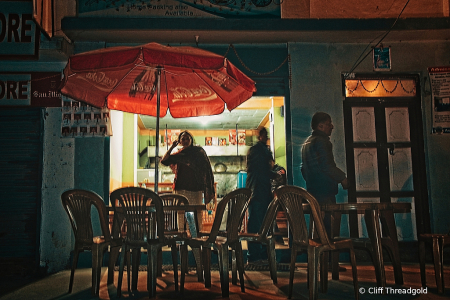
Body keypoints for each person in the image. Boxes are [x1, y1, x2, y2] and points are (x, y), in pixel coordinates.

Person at [301, 112, 349, 237]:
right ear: (320, 126)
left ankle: (318, 254)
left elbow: (303, 169)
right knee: (329, 230)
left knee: (318, 228)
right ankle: (329, 254)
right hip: (326, 191)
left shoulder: (306, 143)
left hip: (313, 191)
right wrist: (343, 178)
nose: (332, 126)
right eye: (328, 124)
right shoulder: (322, 142)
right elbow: (327, 165)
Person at [161, 130, 215, 231]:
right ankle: (182, 235)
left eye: (187, 138)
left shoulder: (199, 152)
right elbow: (164, 160)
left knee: (197, 212)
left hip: (196, 188)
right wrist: (172, 147)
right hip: (181, 188)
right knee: (180, 212)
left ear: (191, 140)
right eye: (183, 139)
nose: (185, 140)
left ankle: (196, 236)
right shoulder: (179, 154)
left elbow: (205, 168)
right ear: (180, 141)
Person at [246, 127, 279, 265]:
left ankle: (259, 255)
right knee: (259, 223)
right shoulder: (259, 150)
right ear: (260, 136)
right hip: (259, 190)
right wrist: (274, 173)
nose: (265, 137)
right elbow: (262, 169)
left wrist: (274, 171)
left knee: (260, 223)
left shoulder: (259, 150)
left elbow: (264, 168)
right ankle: (256, 255)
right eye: (264, 134)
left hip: (259, 190)